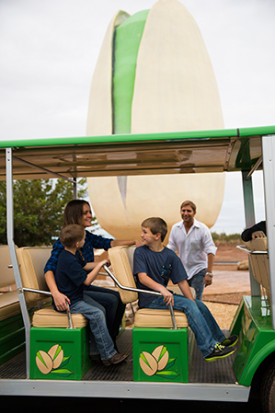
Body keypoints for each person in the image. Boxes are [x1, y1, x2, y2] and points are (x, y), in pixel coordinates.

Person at [133, 217, 238, 362]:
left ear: (157, 236)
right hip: (150, 299)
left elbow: (182, 282)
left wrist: (192, 301)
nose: (141, 235)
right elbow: (143, 278)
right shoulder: (140, 252)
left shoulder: (170, 255)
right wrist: (162, 290)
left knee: (197, 304)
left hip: (163, 296)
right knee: (189, 306)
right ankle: (209, 349)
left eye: (145, 232)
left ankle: (219, 340)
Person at [44, 199, 137, 347]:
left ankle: (109, 340)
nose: (90, 215)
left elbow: (108, 244)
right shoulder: (65, 241)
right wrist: (55, 294)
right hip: (71, 292)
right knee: (112, 300)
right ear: (76, 216)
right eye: (85, 213)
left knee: (118, 297)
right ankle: (105, 347)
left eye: (90, 212)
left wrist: (134, 241)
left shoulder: (85, 236)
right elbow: (48, 269)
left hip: (81, 286)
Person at [55, 224, 127, 365]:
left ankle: (95, 352)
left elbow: (84, 266)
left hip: (77, 295)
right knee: (97, 314)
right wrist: (100, 266)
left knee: (102, 309)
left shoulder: (72, 254)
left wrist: (102, 262)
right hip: (70, 301)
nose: (85, 241)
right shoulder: (67, 260)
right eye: (83, 239)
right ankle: (108, 355)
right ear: (77, 243)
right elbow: (87, 281)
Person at [167, 200, 217, 300]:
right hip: (183, 271)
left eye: (189, 211)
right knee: (185, 299)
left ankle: (198, 315)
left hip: (199, 269)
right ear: (180, 212)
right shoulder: (175, 228)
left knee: (196, 299)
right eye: (183, 210)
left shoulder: (203, 229)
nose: (185, 213)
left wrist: (209, 273)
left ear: (194, 213)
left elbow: (211, 250)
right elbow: (170, 249)